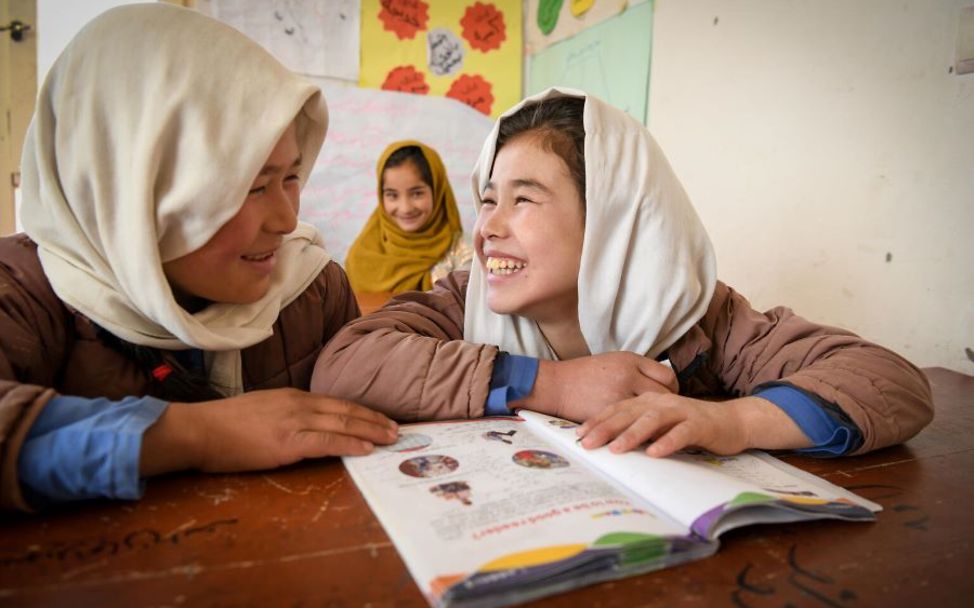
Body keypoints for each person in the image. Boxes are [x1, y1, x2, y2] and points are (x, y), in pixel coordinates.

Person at [311, 87, 933, 459]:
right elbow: (344, 364)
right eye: (488, 199)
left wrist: (735, 421)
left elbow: (893, 383)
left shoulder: (697, 317)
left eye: (523, 199)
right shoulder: (465, 299)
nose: (489, 227)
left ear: (614, 220)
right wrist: (551, 384)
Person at [0, 4, 397, 512]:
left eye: (291, 177)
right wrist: (194, 435)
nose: (285, 219)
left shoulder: (311, 289)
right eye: (251, 186)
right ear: (132, 186)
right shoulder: (26, 288)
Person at [344, 140, 472, 294]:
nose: (405, 208)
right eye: (392, 195)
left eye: (417, 193)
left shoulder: (464, 253)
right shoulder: (361, 255)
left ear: (437, 191)